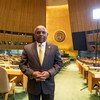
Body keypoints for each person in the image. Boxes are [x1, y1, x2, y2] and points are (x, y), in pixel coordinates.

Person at [19, 25, 63, 100]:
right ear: (34, 35)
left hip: (48, 85)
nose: (41, 34)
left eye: (43, 32)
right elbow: (22, 64)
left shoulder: (54, 48)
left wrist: (49, 73)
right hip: (33, 85)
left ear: (47, 34)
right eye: (38, 32)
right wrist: (32, 73)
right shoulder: (27, 48)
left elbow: (59, 63)